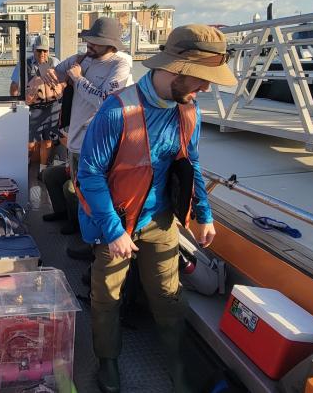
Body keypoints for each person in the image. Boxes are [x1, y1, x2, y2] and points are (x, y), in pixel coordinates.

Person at [76, 24, 237, 393]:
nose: (207, 88)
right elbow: (89, 175)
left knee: (168, 297)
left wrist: (204, 215)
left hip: (161, 220)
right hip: (116, 221)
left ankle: (177, 365)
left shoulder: (188, 110)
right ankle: (108, 362)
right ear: (177, 69)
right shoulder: (115, 111)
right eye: (201, 78)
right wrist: (114, 231)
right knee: (107, 296)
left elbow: (191, 163)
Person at [44, 17, 132, 255]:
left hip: (99, 143)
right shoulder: (82, 58)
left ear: (111, 44)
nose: (89, 45)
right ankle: (82, 232)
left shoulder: (120, 64)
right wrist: (48, 74)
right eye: (89, 40)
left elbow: (106, 100)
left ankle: (93, 244)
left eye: (95, 42)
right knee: (80, 191)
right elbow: (57, 72)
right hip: (75, 140)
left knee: (91, 194)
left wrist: (77, 79)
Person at [10, 35, 64, 171]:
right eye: (39, 50)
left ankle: (43, 169)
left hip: (53, 107)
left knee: (47, 141)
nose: (42, 54)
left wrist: (59, 89)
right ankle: (26, 163)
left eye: (45, 51)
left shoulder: (55, 62)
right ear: (33, 50)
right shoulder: (24, 64)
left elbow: (64, 81)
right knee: (30, 143)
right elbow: (14, 85)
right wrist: (16, 102)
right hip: (33, 107)